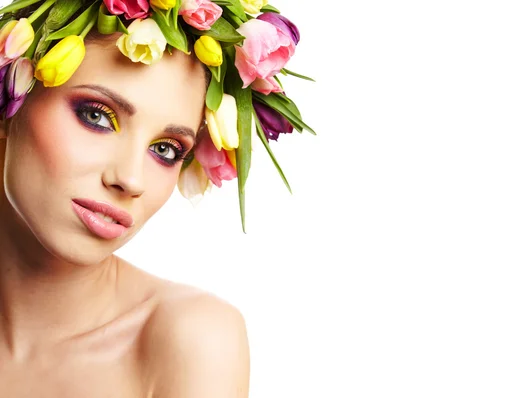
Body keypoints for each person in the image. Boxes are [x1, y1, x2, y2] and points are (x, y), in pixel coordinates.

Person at [0, 0, 312, 396]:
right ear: (12, 99)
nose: (130, 180)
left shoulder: (192, 341)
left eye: (166, 149)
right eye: (97, 115)